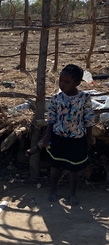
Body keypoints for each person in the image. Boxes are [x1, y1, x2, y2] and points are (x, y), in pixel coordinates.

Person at [42, 64, 95, 205]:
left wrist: (89, 137)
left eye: (67, 82)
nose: (62, 84)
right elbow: (51, 118)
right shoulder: (56, 98)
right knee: (55, 166)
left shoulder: (84, 98)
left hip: (76, 138)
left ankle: (72, 193)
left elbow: (89, 118)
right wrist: (47, 135)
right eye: (60, 81)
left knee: (74, 169)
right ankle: (53, 190)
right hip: (58, 136)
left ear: (77, 83)